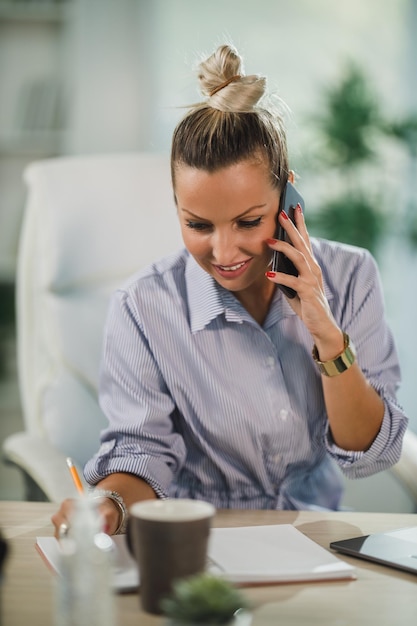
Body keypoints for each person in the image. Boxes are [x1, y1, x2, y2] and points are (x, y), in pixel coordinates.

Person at [52, 44, 408, 538]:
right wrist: (110, 502)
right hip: (198, 541)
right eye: (198, 224)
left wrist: (326, 333)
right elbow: (141, 450)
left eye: (248, 221)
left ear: (287, 196)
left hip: (318, 536)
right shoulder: (143, 306)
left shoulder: (352, 276)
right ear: (176, 206)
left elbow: (370, 453)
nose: (223, 251)